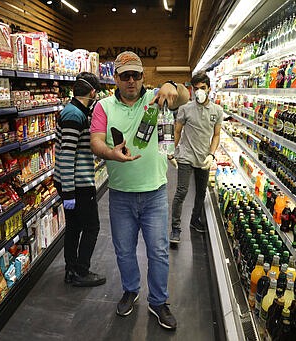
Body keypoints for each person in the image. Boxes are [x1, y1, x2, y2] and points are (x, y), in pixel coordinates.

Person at [90, 51, 189, 330]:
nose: (131, 81)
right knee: (124, 251)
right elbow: (95, 142)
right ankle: (130, 290)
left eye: (136, 75)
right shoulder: (103, 107)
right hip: (120, 194)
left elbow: (183, 97)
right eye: (125, 76)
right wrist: (110, 152)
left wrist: (172, 84)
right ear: (115, 78)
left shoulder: (155, 98)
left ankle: (158, 301)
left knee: (158, 251)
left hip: (155, 192)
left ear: (143, 76)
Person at [54, 72, 106, 287]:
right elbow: (67, 156)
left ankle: (71, 270)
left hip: (72, 182)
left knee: (74, 226)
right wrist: (69, 192)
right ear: (92, 92)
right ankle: (81, 272)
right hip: (77, 183)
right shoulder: (74, 115)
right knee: (92, 227)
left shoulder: (76, 111)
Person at [169, 72, 223, 244]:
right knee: (181, 191)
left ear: (209, 89)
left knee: (201, 192)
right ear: (192, 90)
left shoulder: (217, 111)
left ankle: (194, 220)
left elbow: (216, 135)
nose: (199, 91)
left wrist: (212, 154)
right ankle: (176, 228)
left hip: (203, 158)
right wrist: (172, 151)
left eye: (203, 88)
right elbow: (177, 131)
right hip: (185, 155)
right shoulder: (185, 109)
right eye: (196, 88)